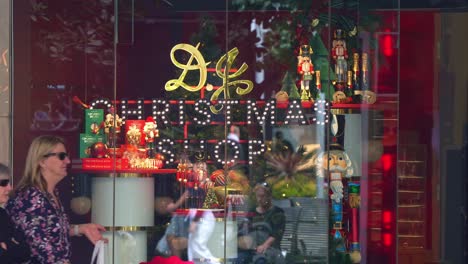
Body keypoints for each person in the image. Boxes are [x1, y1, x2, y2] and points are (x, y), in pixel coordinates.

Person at [6, 135, 107, 263]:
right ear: (42, 161)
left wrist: (80, 229)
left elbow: (51, 230)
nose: (68, 161)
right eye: (61, 156)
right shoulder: (30, 196)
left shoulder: (51, 193)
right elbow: (37, 241)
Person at [237, 182, 285, 264]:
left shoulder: (277, 212)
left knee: (260, 261)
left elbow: (276, 234)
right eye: (258, 196)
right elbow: (243, 230)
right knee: (238, 259)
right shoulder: (252, 212)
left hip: (270, 249)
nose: (259, 199)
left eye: (262, 196)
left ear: (269, 196)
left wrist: (264, 246)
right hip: (251, 249)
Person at [0, 163, 30, 263]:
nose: (9, 188)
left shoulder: (3, 214)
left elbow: (24, 252)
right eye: (4, 183)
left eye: (9, 183)